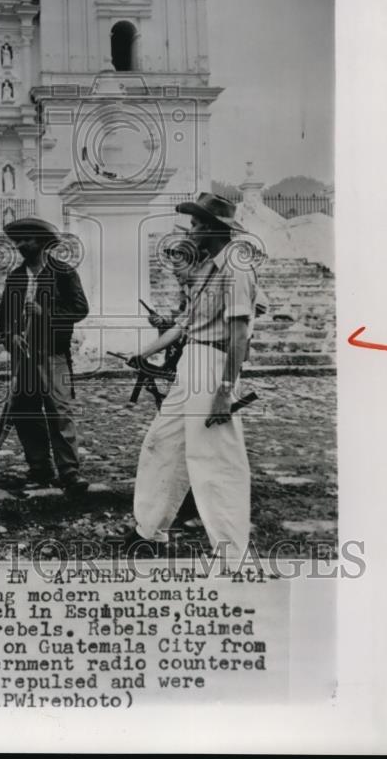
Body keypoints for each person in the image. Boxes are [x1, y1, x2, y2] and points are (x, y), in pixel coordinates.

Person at [125, 193, 257, 560]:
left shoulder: (235, 268)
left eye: (198, 224)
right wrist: (145, 353)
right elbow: (186, 325)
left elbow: (240, 335)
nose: (192, 229)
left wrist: (224, 391)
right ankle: (150, 531)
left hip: (215, 368)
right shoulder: (205, 270)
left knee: (213, 458)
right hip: (191, 365)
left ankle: (231, 552)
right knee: (161, 444)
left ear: (216, 228)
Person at [0, 217, 90, 495]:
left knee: (60, 410)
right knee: (26, 412)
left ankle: (69, 472)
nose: (22, 245)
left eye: (27, 239)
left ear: (41, 241)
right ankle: (39, 466)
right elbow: (3, 318)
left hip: (54, 354)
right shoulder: (16, 277)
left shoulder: (63, 272)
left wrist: (45, 315)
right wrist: (11, 335)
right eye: (18, 241)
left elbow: (79, 309)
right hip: (23, 357)